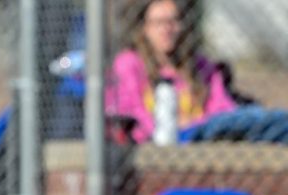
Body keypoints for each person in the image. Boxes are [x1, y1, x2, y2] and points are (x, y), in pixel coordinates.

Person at [107, 0, 288, 145]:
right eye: (158, 23)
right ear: (145, 29)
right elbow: (131, 112)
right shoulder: (129, 63)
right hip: (167, 137)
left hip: (206, 132)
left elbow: (222, 106)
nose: (167, 29)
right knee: (261, 119)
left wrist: (200, 122)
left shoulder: (198, 64)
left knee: (268, 119)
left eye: (173, 21)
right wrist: (169, 127)